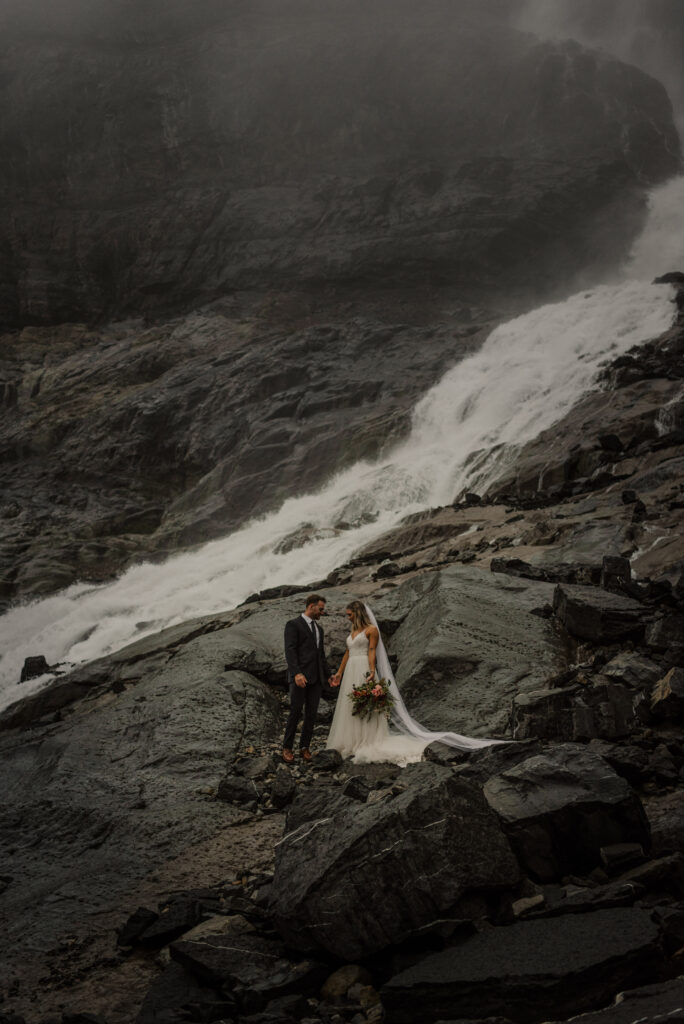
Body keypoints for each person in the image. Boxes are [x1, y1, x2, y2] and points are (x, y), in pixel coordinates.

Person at [326, 600, 506, 765]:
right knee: (350, 704)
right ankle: (351, 739)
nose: (348, 617)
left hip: (363, 666)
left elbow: (372, 650)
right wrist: (339, 673)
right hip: (351, 668)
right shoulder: (353, 630)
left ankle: (367, 739)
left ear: (357, 613)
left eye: (350, 614)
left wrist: (372, 671)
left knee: (364, 703)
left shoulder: (371, 630)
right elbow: (348, 652)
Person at [282, 594, 335, 763]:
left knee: (311, 714)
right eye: (320, 609)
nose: (322, 612)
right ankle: (287, 747)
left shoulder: (319, 629)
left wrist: (329, 675)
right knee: (295, 712)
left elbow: (321, 656)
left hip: (316, 679)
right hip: (300, 677)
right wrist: (296, 673)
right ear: (311, 606)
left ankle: (304, 747)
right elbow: (290, 651)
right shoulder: (293, 625)